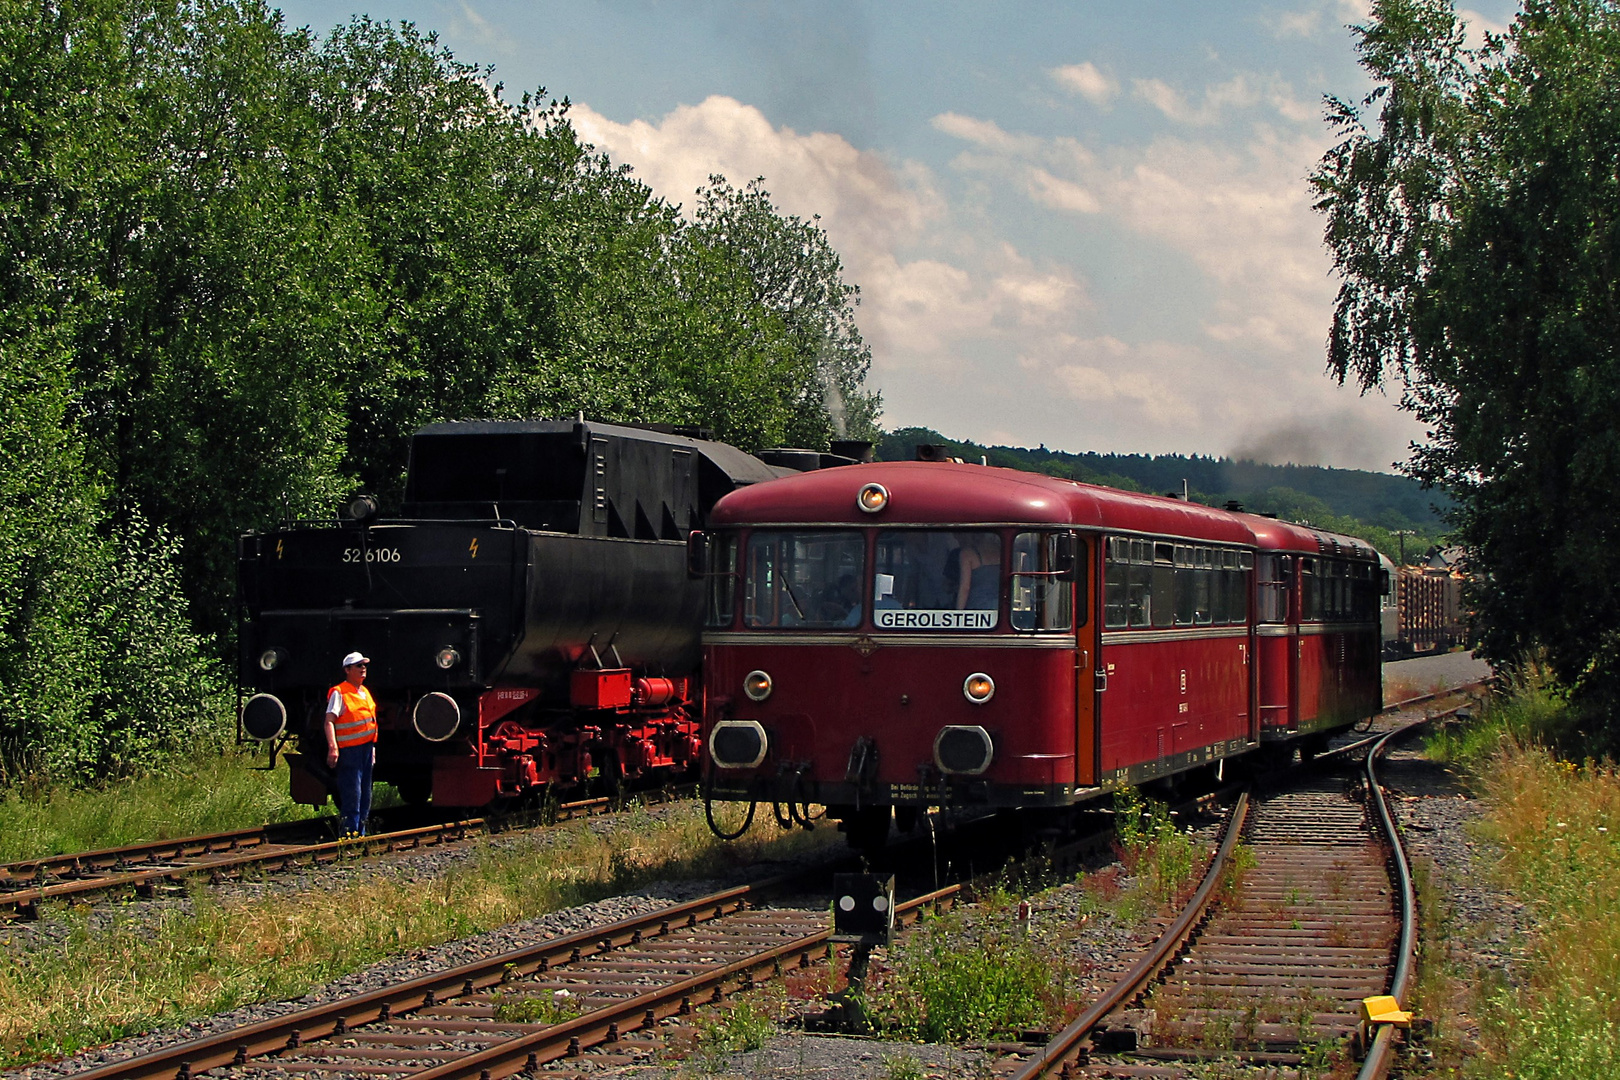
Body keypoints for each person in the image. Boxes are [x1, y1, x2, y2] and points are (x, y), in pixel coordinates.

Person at [325, 651, 378, 837]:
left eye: (364, 665)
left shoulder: (364, 692)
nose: (363, 669)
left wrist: (372, 749)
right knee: (352, 794)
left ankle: (360, 832)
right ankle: (349, 832)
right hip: (349, 751)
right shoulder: (340, 693)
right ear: (347, 670)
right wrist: (333, 748)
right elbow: (329, 721)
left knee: (365, 794)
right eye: (358, 666)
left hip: (365, 749)